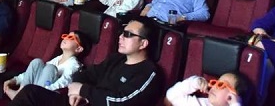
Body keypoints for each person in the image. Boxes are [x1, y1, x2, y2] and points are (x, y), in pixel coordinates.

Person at [9, 18, 163, 106]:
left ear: (143, 43)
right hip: (82, 102)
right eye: (121, 33)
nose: (120, 37)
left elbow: (122, 102)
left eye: (128, 35)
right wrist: (75, 91)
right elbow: (86, 74)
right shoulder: (116, 59)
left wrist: (83, 90)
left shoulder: (149, 72)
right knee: (30, 91)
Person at [3, 31, 90, 99]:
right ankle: (20, 93)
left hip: (49, 95)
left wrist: (44, 89)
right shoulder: (58, 58)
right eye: (66, 36)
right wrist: (15, 80)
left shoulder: (74, 65)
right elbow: (35, 72)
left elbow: (65, 82)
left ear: (79, 48)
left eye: (71, 38)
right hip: (36, 89)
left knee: (50, 68)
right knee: (37, 62)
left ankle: (27, 98)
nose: (66, 38)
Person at [165, 72, 249, 106]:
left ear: (233, 97)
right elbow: (170, 96)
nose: (214, 86)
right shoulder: (197, 103)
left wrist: (236, 104)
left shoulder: (235, 103)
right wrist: (194, 82)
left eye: (221, 85)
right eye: (215, 82)